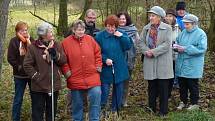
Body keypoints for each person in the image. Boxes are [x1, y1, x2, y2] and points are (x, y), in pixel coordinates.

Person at [23, 22, 67, 121]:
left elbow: (63, 60)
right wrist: (37, 76)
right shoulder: (33, 47)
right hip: (38, 86)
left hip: (53, 84)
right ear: (43, 35)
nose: (52, 34)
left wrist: (56, 55)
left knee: (51, 113)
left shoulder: (56, 45)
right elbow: (27, 65)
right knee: (37, 113)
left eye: (52, 31)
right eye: (50, 32)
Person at [61, 20, 102, 121]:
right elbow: (63, 60)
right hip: (75, 78)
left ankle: (94, 119)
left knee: (95, 98)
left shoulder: (90, 39)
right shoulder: (65, 43)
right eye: (78, 30)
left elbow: (98, 53)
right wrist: (67, 72)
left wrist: (98, 65)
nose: (81, 32)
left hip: (92, 76)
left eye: (82, 29)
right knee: (77, 105)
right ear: (73, 30)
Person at [139, 6, 174, 116]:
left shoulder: (167, 28)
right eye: (150, 15)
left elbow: (167, 44)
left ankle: (163, 111)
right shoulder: (146, 28)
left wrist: (153, 52)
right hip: (149, 61)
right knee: (152, 86)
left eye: (153, 15)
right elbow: (140, 42)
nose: (150, 17)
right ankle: (151, 108)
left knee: (163, 87)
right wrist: (146, 51)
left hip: (163, 62)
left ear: (159, 17)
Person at [95, 15, 132, 114]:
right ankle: (102, 110)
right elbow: (96, 52)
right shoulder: (99, 36)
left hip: (119, 68)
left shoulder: (122, 34)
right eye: (108, 26)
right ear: (105, 25)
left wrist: (121, 37)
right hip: (106, 68)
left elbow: (128, 46)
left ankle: (115, 110)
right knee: (105, 91)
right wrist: (104, 59)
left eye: (113, 26)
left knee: (119, 90)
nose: (110, 29)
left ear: (116, 26)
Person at [174, 14, 207, 111]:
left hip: (193, 65)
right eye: (184, 23)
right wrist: (176, 47)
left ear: (194, 24)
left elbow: (202, 49)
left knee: (192, 85)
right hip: (181, 64)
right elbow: (177, 42)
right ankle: (183, 101)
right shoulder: (183, 32)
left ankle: (194, 103)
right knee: (182, 85)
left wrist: (185, 48)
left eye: (187, 24)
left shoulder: (201, 34)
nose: (185, 26)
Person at [7, 21, 33, 121]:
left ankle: (35, 117)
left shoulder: (31, 40)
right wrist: (19, 67)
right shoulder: (13, 41)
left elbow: (35, 54)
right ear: (18, 31)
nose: (25, 32)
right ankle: (15, 118)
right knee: (18, 99)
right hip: (19, 75)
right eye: (23, 30)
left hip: (31, 75)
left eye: (26, 30)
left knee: (34, 98)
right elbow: (10, 58)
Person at [116, 12, 140, 107]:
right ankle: (116, 100)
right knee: (117, 81)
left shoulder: (133, 30)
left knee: (126, 81)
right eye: (120, 19)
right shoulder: (114, 30)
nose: (122, 20)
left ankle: (124, 101)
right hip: (118, 59)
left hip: (130, 59)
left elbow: (138, 43)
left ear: (127, 20)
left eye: (124, 19)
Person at [164, 9, 180, 98]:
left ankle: (168, 94)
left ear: (174, 18)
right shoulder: (161, 26)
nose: (168, 18)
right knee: (163, 76)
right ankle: (162, 93)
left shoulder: (177, 28)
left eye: (170, 16)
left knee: (171, 76)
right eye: (167, 16)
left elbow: (180, 40)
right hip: (162, 55)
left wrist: (175, 45)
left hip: (173, 56)